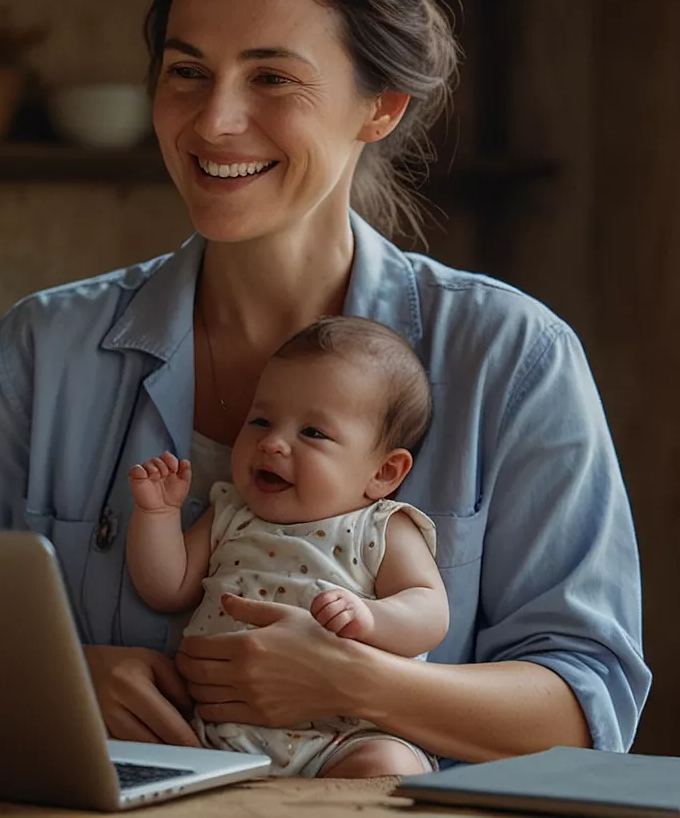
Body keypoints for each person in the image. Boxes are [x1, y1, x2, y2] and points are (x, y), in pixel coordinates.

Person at [0, 0, 649, 766]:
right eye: (186, 70)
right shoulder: (41, 353)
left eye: (272, 77)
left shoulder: (514, 360)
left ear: (380, 106)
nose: (215, 120)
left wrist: (355, 683)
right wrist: (64, 676)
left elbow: (587, 703)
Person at [126, 315, 446, 778]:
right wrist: (156, 516)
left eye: (313, 433)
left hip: (341, 738)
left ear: (384, 473)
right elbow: (167, 587)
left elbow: (430, 610)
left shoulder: (380, 527)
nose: (272, 443)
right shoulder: (231, 511)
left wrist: (372, 618)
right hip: (217, 736)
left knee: (388, 763)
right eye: (260, 420)